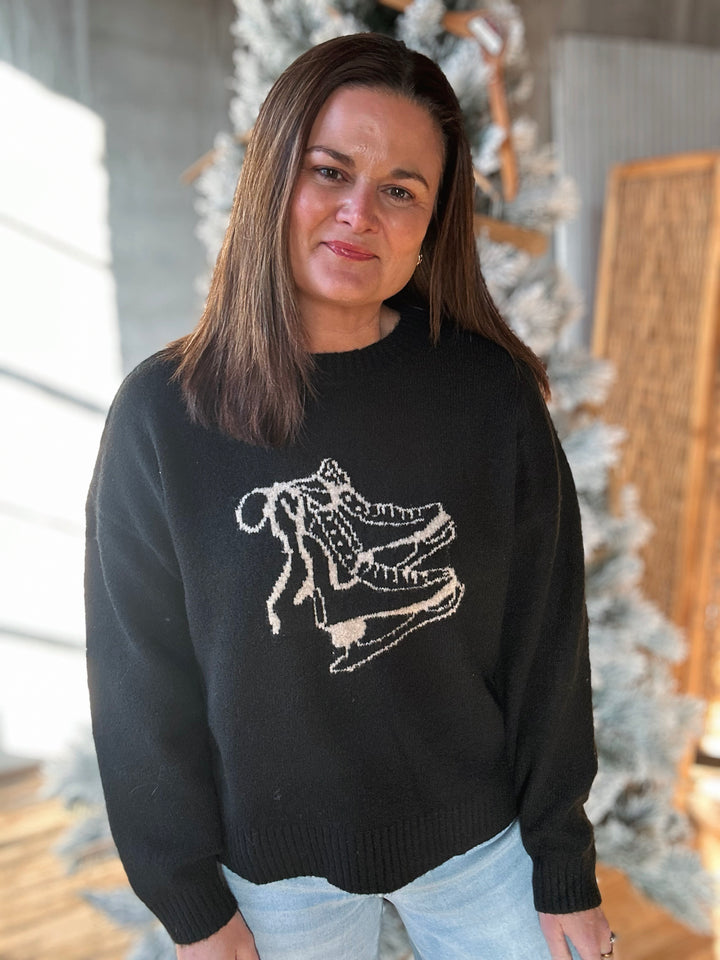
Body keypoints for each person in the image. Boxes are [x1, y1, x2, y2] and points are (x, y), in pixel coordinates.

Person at [85, 32, 615, 960]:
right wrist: (194, 911)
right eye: (330, 170)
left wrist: (562, 861)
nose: (358, 213)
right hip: (274, 873)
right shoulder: (161, 418)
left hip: (483, 844)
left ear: (432, 219)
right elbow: (138, 686)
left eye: (400, 189)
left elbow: (546, 643)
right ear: (275, 176)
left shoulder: (487, 398)